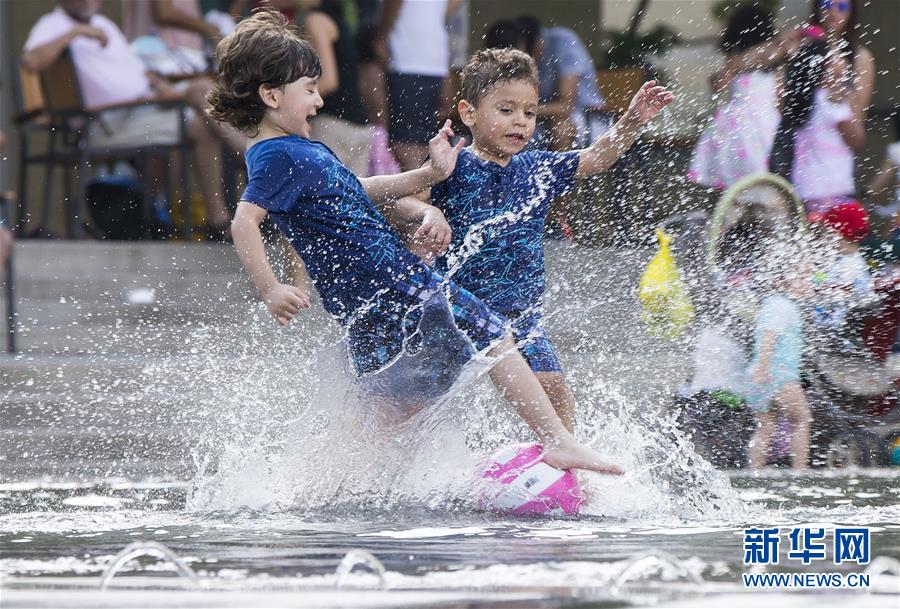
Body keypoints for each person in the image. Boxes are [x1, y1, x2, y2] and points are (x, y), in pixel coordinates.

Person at [207, 10, 623, 475]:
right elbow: (246, 220)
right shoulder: (276, 154)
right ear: (270, 95)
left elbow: (357, 191)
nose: (318, 101)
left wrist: (426, 175)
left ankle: (319, 486)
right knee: (491, 333)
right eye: (309, 89)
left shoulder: (298, 151)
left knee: (388, 407)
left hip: (367, 300)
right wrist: (270, 288)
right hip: (392, 282)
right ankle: (557, 441)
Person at [395, 48, 675, 431]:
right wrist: (430, 212)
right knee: (413, 406)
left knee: (554, 391)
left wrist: (633, 120)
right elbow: (402, 201)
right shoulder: (453, 165)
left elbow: (597, 157)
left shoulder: (539, 167)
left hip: (520, 315)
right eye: (506, 110)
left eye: (529, 112)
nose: (520, 122)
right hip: (458, 313)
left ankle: (564, 473)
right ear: (468, 113)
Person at [23, 0, 238, 237]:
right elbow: (31, 61)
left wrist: (159, 86)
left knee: (201, 99)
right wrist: (75, 33)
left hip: (138, 111)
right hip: (104, 124)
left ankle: (219, 217)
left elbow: (136, 71)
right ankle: (251, 159)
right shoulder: (53, 24)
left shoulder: (104, 24)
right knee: (201, 102)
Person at [688, 4, 783, 190]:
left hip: (737, 126)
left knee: (737, 183)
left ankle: (734, 210)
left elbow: (719, 85)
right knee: (765, 179)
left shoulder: (736, 59)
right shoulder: (772, 60)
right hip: (765, 125)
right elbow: (779, 98)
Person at [769, 38, 861, 216]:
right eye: (837, 57)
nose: (843, 62)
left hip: (807, 187)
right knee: (843, 236)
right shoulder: (832, 101)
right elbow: (856, 139)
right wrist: (850, 99)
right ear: (825, 69)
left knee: (814, 237)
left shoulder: (804, 101)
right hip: (832, 188)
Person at [745, 255, 814, 470]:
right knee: (802, 420)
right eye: (801, 278)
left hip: (760, 373)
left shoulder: (771, 303)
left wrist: (760, 370)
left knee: (766, 425)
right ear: (783, 282)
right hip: (777, 374)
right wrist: (764, 369)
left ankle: (754, 471)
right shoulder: (783, 306)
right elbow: (769, 336)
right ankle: (800, 472)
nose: (808, 283)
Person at [375, 0, 456, 171]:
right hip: (432, 56)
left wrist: (382, 34)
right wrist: (432, 16)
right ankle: (422, 190)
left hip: (408, 56)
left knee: (405, 144)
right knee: (422, 141)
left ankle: (417, 192)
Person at [301, 0, 372, 177]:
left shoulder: (315, 20)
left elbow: (328, 81)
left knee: (322, 199)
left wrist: (289, 104)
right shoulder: (338, 19)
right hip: (358, 126)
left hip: (331, 125)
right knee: (354, 201)